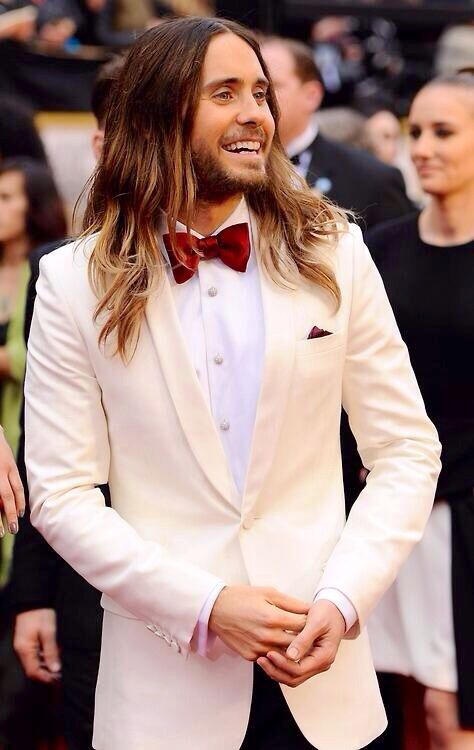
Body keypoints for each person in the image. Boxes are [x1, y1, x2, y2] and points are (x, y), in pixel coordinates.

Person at [24, 17, 441, 750]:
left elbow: (406, 449)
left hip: (326, 685)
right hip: (163, 699)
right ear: (159, 113)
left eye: (260, 91)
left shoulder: (335, 251)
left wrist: (342, 599)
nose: (255, 111)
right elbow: (61, 494)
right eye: (225, 92)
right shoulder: (69, 282)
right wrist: (208, 605)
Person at [11, 56, 123, 750]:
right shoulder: (58, 272)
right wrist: (33, 594)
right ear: (101, 145)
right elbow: (42, 446)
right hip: (88, 592)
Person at [367, 72, 474, 750]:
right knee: (393, 706)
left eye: (444, 132)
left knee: (449, 712)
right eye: (415, 133)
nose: (423, 148)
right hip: (390, 507)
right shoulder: (379, 251)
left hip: (464, 518)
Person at [260, 36, 414, 233]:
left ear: (312, 95)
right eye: (254, 88)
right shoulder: (223, 170)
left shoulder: (373, 180)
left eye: (271, 87)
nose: (259, 98)